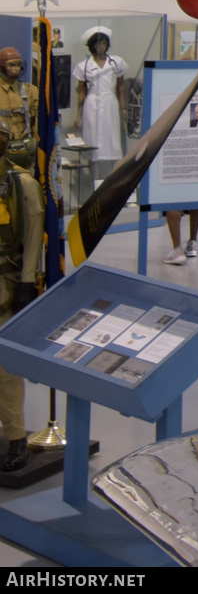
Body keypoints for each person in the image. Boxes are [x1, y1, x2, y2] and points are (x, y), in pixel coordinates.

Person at [0, 120, 33, 471]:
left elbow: (35, 230)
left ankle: (16, 437)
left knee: (5, 371)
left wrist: (26, 283)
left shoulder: (19, 184)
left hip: (5, 287)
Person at [0, 48, 42, 303]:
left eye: (19, 64)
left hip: (24, 165)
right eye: (10, 65)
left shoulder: (30, 92)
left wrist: (28, 281)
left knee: (30, 217)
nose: (15, 69)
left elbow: (39, 128)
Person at [72, 27, 126, 174]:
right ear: (92, 46)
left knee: (113, 140)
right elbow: (82, 91)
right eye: (97, 44)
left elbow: (121, 87)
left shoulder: (116, 62)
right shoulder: (83, 66)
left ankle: (114, 178)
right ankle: (93, 178)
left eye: (103, 43)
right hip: (92, 103)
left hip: (110, 102)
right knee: (92, 140)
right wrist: (78, 115)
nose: (101, 47)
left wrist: (123, 108)